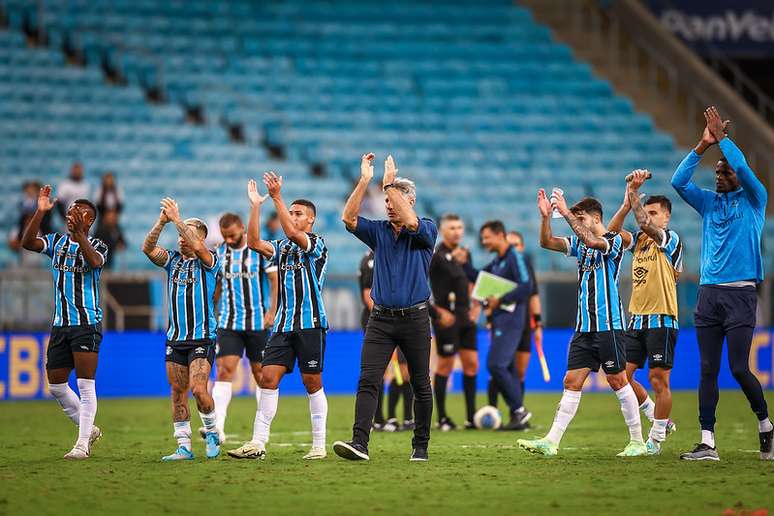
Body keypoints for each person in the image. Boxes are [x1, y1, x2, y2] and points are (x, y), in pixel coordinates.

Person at [671, 106, 772, 461]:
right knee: (707, 368)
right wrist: (702, 145)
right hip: (709, 294)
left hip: (741, 295)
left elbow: (743, 166)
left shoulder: (755, 200)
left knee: (739, 368)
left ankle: (766, 426)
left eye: (723, 170)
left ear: (737, 176)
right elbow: (678, 183)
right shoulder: (709, 203)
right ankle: (707, 442)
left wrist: (724, 142)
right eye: (716, 170)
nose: (718, 174)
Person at [518, 190, 646, 457]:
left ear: (595, 217)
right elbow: (547, 242)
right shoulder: (580, 244)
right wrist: (545, 218)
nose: (575, 222)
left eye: (580, 217)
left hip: (608, 324)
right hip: (584, 326)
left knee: (617, 380)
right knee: (571, 380)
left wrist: (565, 213)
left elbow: (592, 239)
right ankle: (551, 442)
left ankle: (637, 441)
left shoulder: (612, 241)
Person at [334, 153, 437, 462]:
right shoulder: (378, 231)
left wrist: (389, 181)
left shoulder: (427, 229)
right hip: (380, 320)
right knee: (368, 379)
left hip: (415, 319)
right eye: (386, 198)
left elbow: (411, 221)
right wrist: (366, 181)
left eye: (394, 198)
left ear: (410, 200)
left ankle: (420, 446)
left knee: (420, 383)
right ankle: (360, 443)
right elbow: (349, 219)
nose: (388, 203)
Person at [227, 174, 329, 461]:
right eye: (291, 212)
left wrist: (277, 197)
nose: (293, 217)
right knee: (268, 378)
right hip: (283, 325)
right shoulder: (281, 248)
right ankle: (257, 443)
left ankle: (318, 444)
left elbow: (294, 234)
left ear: (310, 221)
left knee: (312, 382)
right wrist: (256, 206)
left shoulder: (317, 243)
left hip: (310, 323)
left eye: (299, 214)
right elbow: (255, 241)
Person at [21, 186, 107, 459]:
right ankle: (89, 429)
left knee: (85, 384)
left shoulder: (97, 244)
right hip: (60, 324)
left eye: (77, 213)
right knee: (56, 385)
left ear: (89, 220)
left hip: (86, 323)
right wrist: (41, 212)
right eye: (69, 212)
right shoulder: (57, 242)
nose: (70, 215)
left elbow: (94, 263)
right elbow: (27, 243)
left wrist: (81, 236)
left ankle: (82, 445)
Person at [607, 170, 682, 455]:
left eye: (654, 213)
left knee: (658, 380)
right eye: (647, 212)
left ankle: (657, 438)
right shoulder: (638, 241)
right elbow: (610, 233)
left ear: (666, 217)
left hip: (662, 319)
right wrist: (627, 202)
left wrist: (634, 193)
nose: (648, 217)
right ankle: (655, 413)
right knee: (621, 377)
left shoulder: (670, 240)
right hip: (636, 319)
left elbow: (644, 225)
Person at [142, 198, 222, 461]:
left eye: (185, 234)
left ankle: (212, 432)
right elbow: (147, 248)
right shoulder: (172, 261)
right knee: (178, 392)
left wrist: (178, 219)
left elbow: (198, 247)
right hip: (175, 338)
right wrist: (162, 221)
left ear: (200, 238)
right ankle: (184, 446)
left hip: (202, 337)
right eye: (178, 235)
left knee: (199, 390)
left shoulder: (209, 260)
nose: (179, 239)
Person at [200, 212, 278, 443]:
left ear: (243, 228)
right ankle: (218, 429)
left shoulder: (259, 250)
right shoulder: (220, 252)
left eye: (232, 235)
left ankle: (262, 429)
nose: (229, 240)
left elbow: (274, 282)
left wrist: (272, 311)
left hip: (258, 322)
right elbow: (217, 286)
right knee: (224, 371)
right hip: (229, 322)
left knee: (262, 375)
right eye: (225, 236)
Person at [459, 221, 532, 430]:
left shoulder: (514, 257)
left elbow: (527, 287)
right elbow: (480, 279)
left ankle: (519, 410)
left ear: (500, 235)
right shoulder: (499, 260)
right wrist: (465, 264)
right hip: (501, 320)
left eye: (487, 237)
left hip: (512, 320)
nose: (484, 241)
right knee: (504, 366)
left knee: (495, 364)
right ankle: (519, 414)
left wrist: (500, 299)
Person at [429, 213, 479, 431]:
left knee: (471, 365)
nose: (456, 231)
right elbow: (420, 284)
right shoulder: (436, 256)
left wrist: (476, 306)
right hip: (446, 319)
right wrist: (436, 312)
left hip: (465, 317)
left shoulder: (464, 255)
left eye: (459, 227)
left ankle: (471, 418)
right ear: (442, 230)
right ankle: (441, 418)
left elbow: (473, 281)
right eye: (451, 228)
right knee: (445, 366)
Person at [487, 231, 543, 414]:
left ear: (522, 247)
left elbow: (533, 295)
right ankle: (494, 411)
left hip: (525, 324)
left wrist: (538, 324)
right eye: (511, 244)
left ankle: (517, 413)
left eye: (517, 244)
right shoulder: (499, 266)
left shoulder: (525, 268)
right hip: (504, 323)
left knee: (518, 372)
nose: (514, 248)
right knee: (499, 367)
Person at [359, 249, 413, 432]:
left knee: (405, 371)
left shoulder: (396, 255)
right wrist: (386, 319)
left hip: (402, 318)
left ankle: (404, 417)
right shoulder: (371, 260)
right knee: (380, 371)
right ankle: (379, 419)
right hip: (379, 320)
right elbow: (368, 295)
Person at [9, 181, 52, 267]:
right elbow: (13, 244)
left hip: (39, 259)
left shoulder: (40, 204)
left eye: (32, 190)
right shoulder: (23, 203)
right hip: (25, 257)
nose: (29, 192)